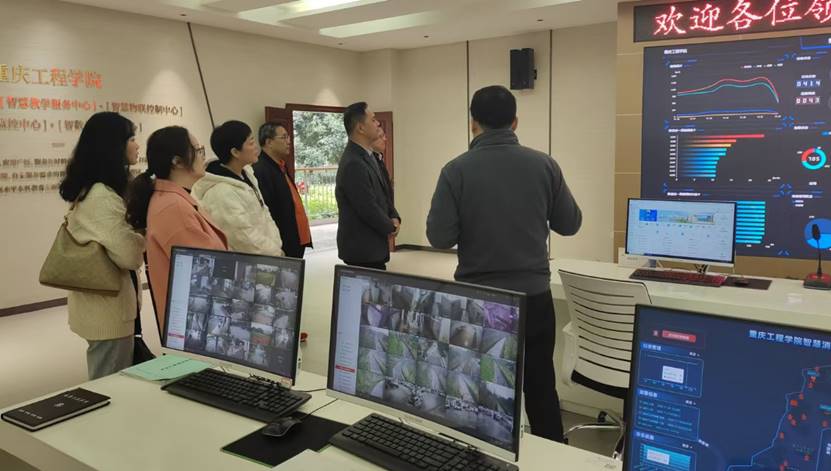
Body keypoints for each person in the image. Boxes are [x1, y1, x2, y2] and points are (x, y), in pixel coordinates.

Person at [426, 85, 582, 443]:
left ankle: (482, 456)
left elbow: (439, 238)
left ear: (473, 123)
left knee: (479, 388)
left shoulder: (455, 171)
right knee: (539, 384)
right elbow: (570, 224)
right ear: (515, 121)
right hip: (535, 298)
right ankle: (551, 454)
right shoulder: (545, 165)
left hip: (478, 302)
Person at [58, 111, 146, 379]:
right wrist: (142, 235)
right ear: (113, 147)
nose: (137, 145)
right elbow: (129, 256)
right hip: (107, 311)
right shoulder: (102, 196)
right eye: (131, 138)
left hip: (101, 306)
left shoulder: (93, 190)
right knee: (109, 384)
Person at [125, 126, 228, 330]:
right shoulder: (174, 208)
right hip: (197, 322)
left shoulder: (174, 199)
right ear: (177, 161)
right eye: (198, 150)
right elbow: (205, 273)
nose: (203, 156)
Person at [192, 120, 284, 257]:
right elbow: (244, 239)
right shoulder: (221, 193)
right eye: (251, 143)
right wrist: (275, 252)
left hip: (269, 254)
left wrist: (276, 246)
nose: (256, 147)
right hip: (250, 261)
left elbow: (264, 212)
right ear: (235, 152)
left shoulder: (247, 175)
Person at [335, 102, 400, 270]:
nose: (378, 123)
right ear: (361, 128)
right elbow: (367, 207)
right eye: (373, 119)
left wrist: (394, 216)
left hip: (372, 246)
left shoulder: (368, 156)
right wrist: (390, 226)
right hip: (362, 249)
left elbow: (384, 194)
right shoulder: (353, 162)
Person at [253, 121, 312, 258]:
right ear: (269, 142)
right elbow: (268, 212)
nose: (289, 141)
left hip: (295, 238)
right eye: (284, 137)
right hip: (282, 242)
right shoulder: (261, 170)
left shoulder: (280, 165)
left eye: (289, 137)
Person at [369, 128, 398, 221]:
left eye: (384, 135)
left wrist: (394, 216)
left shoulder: (379, 158)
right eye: (380, 137)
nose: (385, 139)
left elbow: (387, 194)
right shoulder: (367, 163)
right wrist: (388, 225)